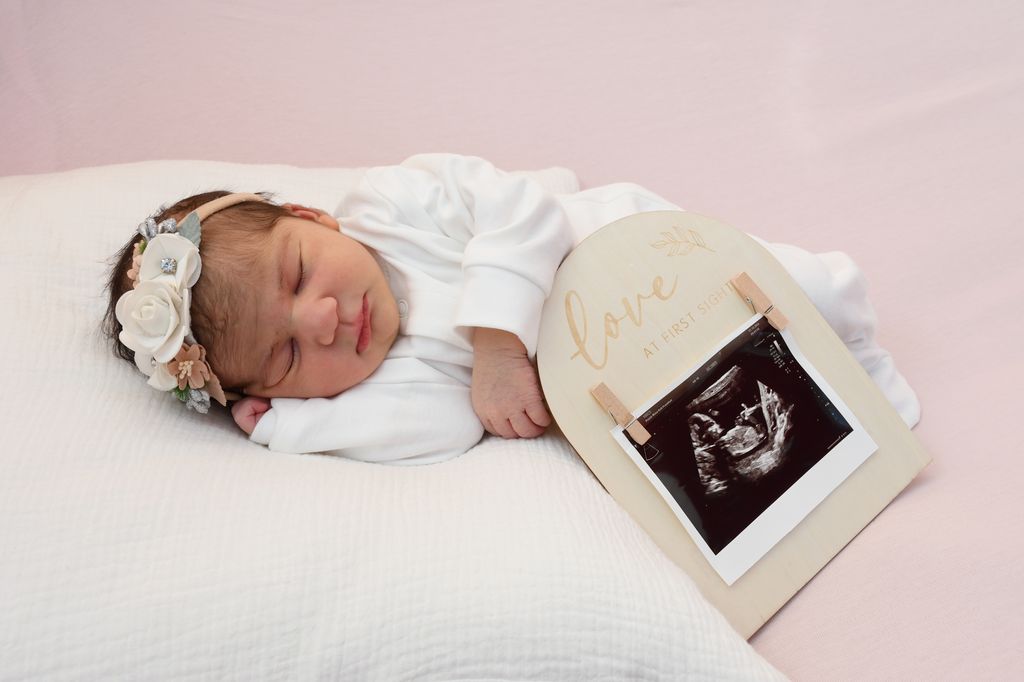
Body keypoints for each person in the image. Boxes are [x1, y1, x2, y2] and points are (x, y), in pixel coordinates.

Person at [104, 153, 919, 465]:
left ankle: (837, 297)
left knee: (788, 288)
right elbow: (439, 428)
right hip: (628, 365)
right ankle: (850, 410)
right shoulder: (381, 376)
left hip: (630, 262)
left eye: (297, 275)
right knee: (742, 388)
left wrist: (497, 343)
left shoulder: (391, 205)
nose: (320, 322)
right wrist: (295, 428)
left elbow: (517, 207)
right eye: (286, 357)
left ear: (312, 218)